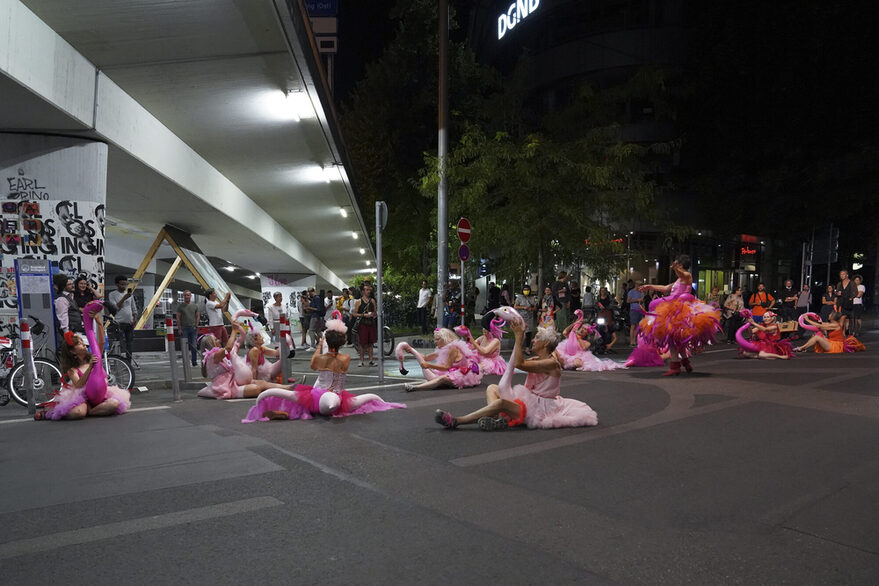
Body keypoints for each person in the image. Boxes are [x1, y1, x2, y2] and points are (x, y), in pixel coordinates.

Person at [434, 318, 598, 431]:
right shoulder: (541, 358)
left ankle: (457, 421)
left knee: (501, 403)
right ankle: (497, 419)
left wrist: (519, 336)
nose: (533, 340)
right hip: (530, 398)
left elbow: (519, 364)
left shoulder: (550, 363)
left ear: (546, 343)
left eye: (537, 338)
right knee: (492, 388)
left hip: (540, 407)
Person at [242, 317, 405, 422]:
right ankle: (282, 409)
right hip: (327, 396)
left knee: (320, 403)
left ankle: (285, 410)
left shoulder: (322, 358)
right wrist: (327, 340)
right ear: (341, 343)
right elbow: (331, 358)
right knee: (329, 405)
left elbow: (314, 364)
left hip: (323, 394)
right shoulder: (345, 358)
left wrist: (321, 344)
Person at [637, 255, 721, 376]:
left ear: (681, 265)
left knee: (672, 338)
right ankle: (685, 362)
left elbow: (682, 275)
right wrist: (649, 286)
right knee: (677, 339)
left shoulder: (687, 276)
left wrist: (675, 268)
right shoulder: (678, 279)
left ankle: (675, 366)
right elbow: (666, 288)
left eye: (677, 265)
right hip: (674, 310)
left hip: (680, 311)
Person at [36, 316, 130, 420]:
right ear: (72, 351)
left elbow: (102, 342)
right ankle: (84, 411)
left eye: (83, 343)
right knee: (78, 413)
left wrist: (99, 324)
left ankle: (91, 412)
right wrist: (90, 367)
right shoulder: (73, 370)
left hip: (100, 395)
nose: (84, 345)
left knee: (114, 404)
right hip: (84, 399)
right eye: (79, 344)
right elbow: (78, 384)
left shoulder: (95, 356)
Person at [197, 322, 292, 399]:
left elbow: (235, 344)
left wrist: (240, 332)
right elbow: (228, 348)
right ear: (211, 344)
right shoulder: (213, 356)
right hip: (226, 387)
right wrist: (234, 331)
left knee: (263, 383)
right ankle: (282, 391)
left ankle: (289, 388)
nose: (218, 340)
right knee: (256, 388)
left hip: (233, 381)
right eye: (215, 339)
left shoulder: (217, 355)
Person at [402, 328, 482, 392]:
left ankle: (415, 387)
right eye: (435, 339)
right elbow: (426, 358)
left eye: (437, 339)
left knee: (442, 378)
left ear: (445, 339)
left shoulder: (453, 349)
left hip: (463, 375)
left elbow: (446, 367)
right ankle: (437, 384)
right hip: (453, 371)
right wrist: (412, 351)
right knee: (435, 374)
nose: (435, 342)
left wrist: (428, 365)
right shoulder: (443, 349)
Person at [556, 311, 625, 372]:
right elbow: (565, 332)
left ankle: (563, 365)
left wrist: (579, 338)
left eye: (585, 330)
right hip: (566, 353)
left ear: (586, 334)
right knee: (554, 351)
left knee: (577, 364)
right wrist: (574, 324)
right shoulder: (572, 336)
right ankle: (559, 364)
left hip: (576, 356)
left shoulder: (587, 342)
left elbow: (583, 347)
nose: (582, 330)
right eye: (582, 328)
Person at [795, 312, 865, 354]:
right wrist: (812, 318)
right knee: (817, 335)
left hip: (836, 346)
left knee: (817, 337)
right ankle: (803, 348)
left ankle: (801, 348)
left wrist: (807, 320)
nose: (828, 315)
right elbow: (821, 323)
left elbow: (820, 326)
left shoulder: (835, 325)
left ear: (833, 317)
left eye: (830, 314)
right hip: (832, 342)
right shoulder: (832, 324)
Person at [108, 276, 137, 359]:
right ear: (117, 284)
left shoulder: (129, 295)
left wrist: (135, 318)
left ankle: (129, 361)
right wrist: (124, 298)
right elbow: (115, 308)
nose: (124, 286)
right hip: (119, 322)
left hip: (129, 322)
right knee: (119, 343)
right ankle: (119, 361)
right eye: (122, 284)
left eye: (125, 284)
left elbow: (133, 307)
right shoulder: (112, 294)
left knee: (129, 343)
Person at [353, 283, 377, 366]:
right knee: (362, 343)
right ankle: (361, 360)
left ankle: (371, 360)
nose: (368, 291)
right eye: (367, 290)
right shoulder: (358, 302)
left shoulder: (372, 301)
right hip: (362, 324)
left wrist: (372, 314)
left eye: (369, 290)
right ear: (363, 291)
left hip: (371, 323)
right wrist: (363, 315)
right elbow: (354, 314)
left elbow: (375, 312)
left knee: (371, 343)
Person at [176, 290, 200, 367]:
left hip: (193, 329)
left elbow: (197, 316)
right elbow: (178, 318)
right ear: (183, 296)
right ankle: (186, 362)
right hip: (184, 329)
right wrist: (179, 328)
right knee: (184, 347)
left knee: (194, 345)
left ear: (190, 296)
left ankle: (194, 361)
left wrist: (196, 325)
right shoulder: (181, 306)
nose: (186, 297)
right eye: (185, 295)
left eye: (188, 295)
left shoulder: (195, 306)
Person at [513, 284, 538, 349]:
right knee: (521, 332)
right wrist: (523, 307)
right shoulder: (519, 297)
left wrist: (531, 309)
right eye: (525, 290)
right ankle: (519, 347)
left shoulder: (532, 298)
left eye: (527, 290)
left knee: (529, 332)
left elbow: (535, 307)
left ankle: (527, 348)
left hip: (530, 317)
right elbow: (515, 306)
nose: (526, 291)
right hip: (522, 317)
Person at [834, 270, 857, 334]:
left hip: (848, 303)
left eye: (843, 274)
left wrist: (851, 298)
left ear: (847, 275)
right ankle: (841, 332)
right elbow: (836, 292)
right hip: (840, 302)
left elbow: (855, 292)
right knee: (842, 317)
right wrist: (837, 293)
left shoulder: (852, 283)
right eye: (841, 274)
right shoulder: (839, 283)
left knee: (847, 318)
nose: (842, 275)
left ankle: (847, 330)